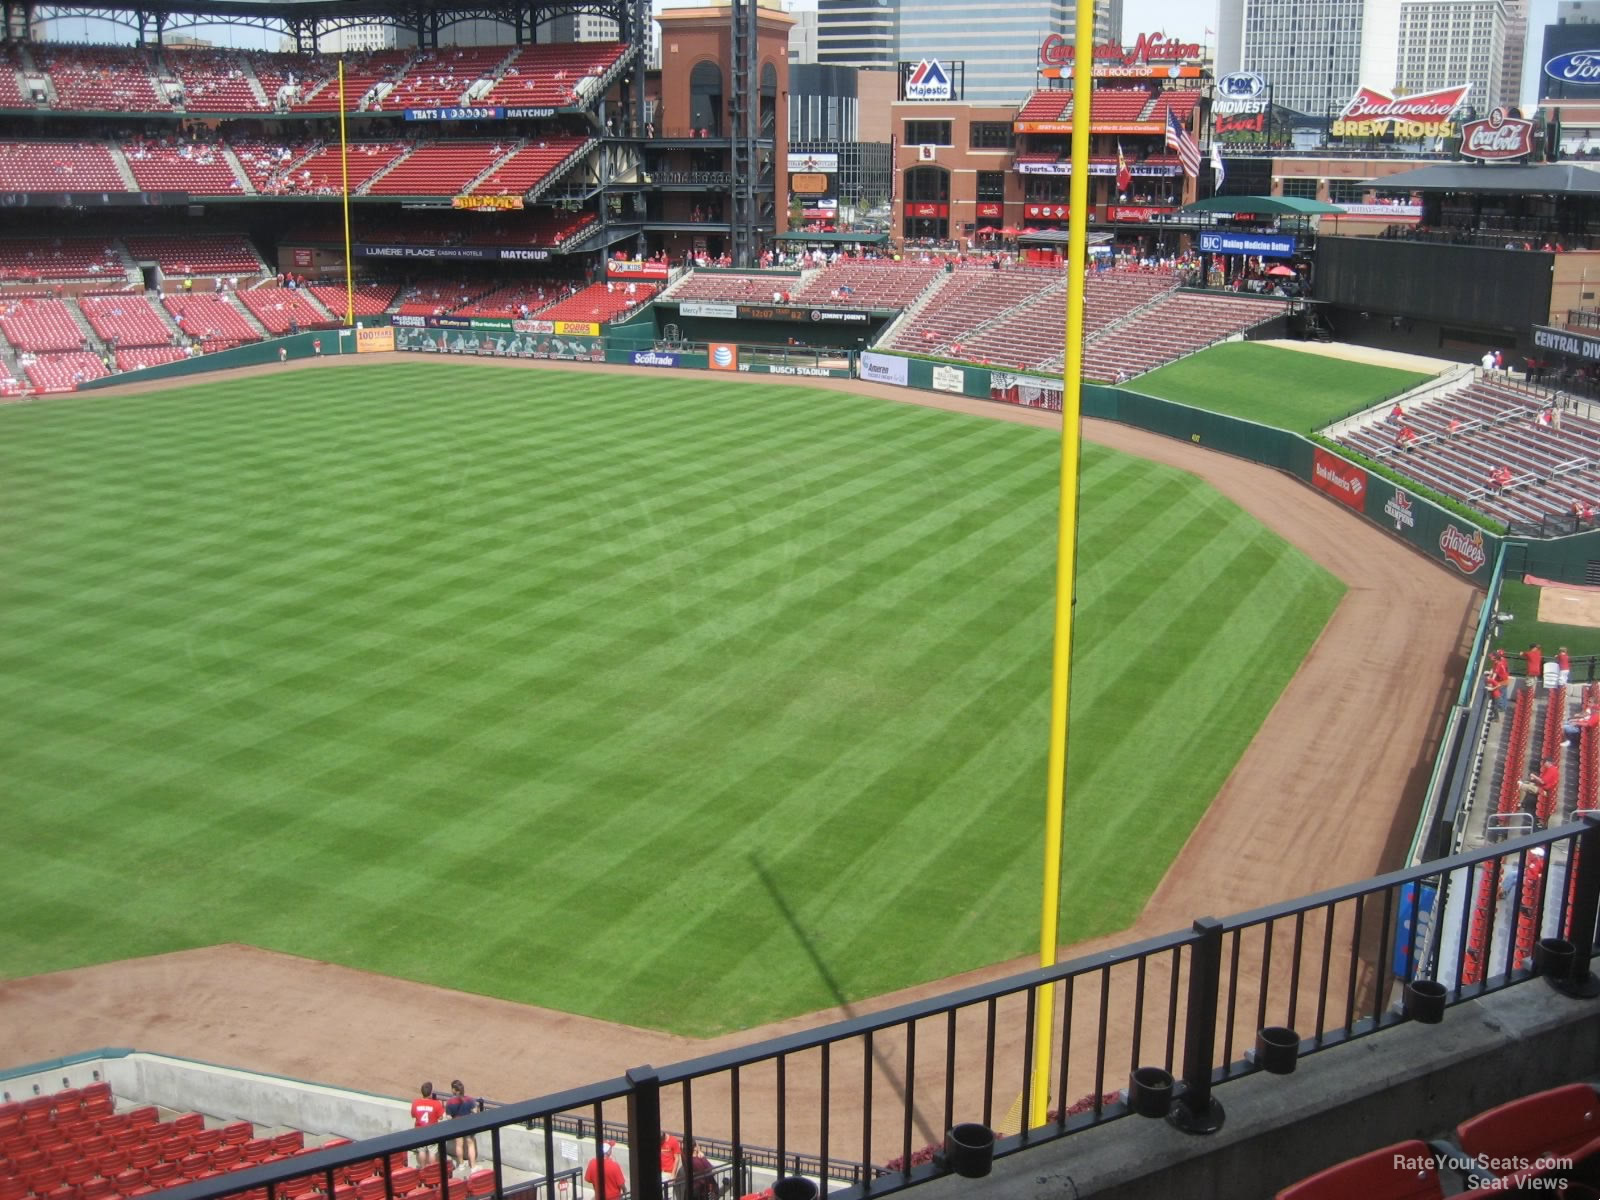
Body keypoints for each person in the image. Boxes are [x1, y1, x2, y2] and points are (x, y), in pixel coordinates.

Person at [445, 1080, 479, 1176]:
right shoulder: (470, 1100)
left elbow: (448, 1117)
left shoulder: (450, 1102)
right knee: (470, 1145)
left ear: (454, 1090)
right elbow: (475, 1111)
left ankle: (461, 1164)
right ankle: (473, 1166)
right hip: (468, 1125)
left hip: (457, 1126)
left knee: (458, 1145)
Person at [410, 1082, 447, 1167]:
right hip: (432, 1131)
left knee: (421, 1151)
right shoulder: (436, 1103)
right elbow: (441, 1117)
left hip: (420, 1130)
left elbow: (413, 1115)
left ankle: (423, 1168)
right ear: (430, 1093)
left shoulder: (416, 1103)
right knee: (432, 1151)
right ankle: (431, 1169)